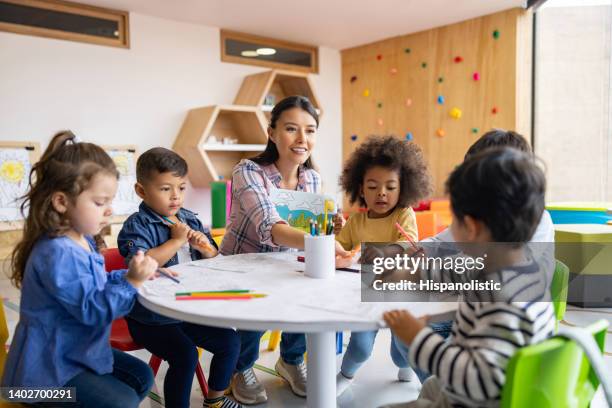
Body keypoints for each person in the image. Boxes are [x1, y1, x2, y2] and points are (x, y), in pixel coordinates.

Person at [381, 148, 556, 407]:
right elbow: (456, 271)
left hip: (477, 398)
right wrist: (412, 272)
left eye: (453, 219)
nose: (450, 228)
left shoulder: (503, 302)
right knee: (431, 386)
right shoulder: (516, 265)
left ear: (472, 227)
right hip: (483, 381)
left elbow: (476, 380)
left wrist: (420, 339)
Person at [2, 131, 157, 407]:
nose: (109, 210)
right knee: (120, 401)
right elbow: (92, 310)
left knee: (140, 376)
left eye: (110, 201)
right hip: (37, 383)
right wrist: (132, 282)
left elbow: (94, 285)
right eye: (100, 202)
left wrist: (127, 274)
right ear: (61, 202)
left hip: (72, 355)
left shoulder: (81, 239)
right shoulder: (57, 251)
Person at [220, 95, 349, 404]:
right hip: (242, 266)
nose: (302, 139)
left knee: (309, 291)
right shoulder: (248, 171)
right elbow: (271, 227)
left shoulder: (313, 178)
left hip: (286, 264)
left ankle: (290, 360)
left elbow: (311, 232)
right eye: (292, 129)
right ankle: (241, 367)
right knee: (257, 303)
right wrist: (325, 242)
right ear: (272, 132)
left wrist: (330, 233)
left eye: (311, 130)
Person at [118, 147, 242, 408]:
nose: (176, 196)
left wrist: (205, 248)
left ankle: (215, 400)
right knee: (185, 355)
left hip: (189, 310)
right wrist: (176, 241)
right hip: (152, 317)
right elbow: (142, 265)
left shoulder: (190, 220)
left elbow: (213, 255)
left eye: (181, 188)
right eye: (165, 189)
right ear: (142, 191)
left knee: (230, 341)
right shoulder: (136, 225)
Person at [334, 135, 432, 396]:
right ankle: (345, 375)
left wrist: (384, 252)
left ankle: (406, 367)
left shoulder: (404, 214)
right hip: (364, 297)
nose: (382, 193)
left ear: (404, 188)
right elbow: (340, 250)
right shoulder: (355, 221)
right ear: (360, 188)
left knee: (401, 352)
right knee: (360, 347)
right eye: (373, 186)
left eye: (390, 186)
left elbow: (408, 243)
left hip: (399, 294)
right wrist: (333, 238)